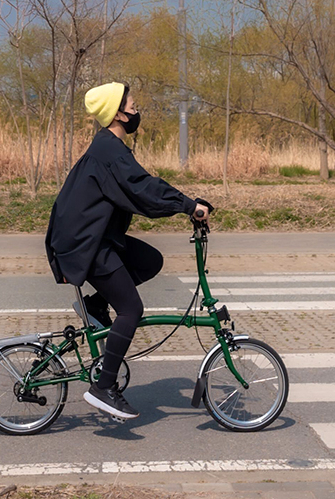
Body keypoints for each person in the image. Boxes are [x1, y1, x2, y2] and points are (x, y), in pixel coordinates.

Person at [45, 81, 210, 421]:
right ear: (118, 113)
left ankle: (93, 304)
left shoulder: (110, 147)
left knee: (150, 259)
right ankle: (103, 388)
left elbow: (140, 190)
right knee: (132, 309)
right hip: (84, 244)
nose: (137, 111)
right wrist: (188, 205)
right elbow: (144, 189)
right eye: (133, 105)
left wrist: (183, 205)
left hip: (94, 238)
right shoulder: (109, 150)